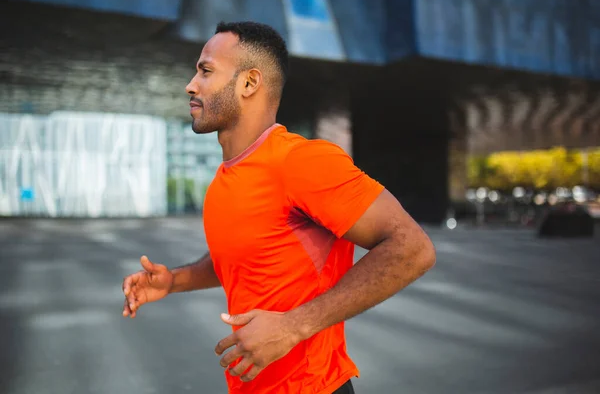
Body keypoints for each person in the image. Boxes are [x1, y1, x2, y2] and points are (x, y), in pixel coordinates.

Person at [122, 21, 436, 394]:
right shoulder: (225, 179)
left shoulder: (301, 162)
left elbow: (412, 248)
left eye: (205, 71)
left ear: (249, 83)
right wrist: (174, 280)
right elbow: (245, 258)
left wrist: (294, 326)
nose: (191, 84)